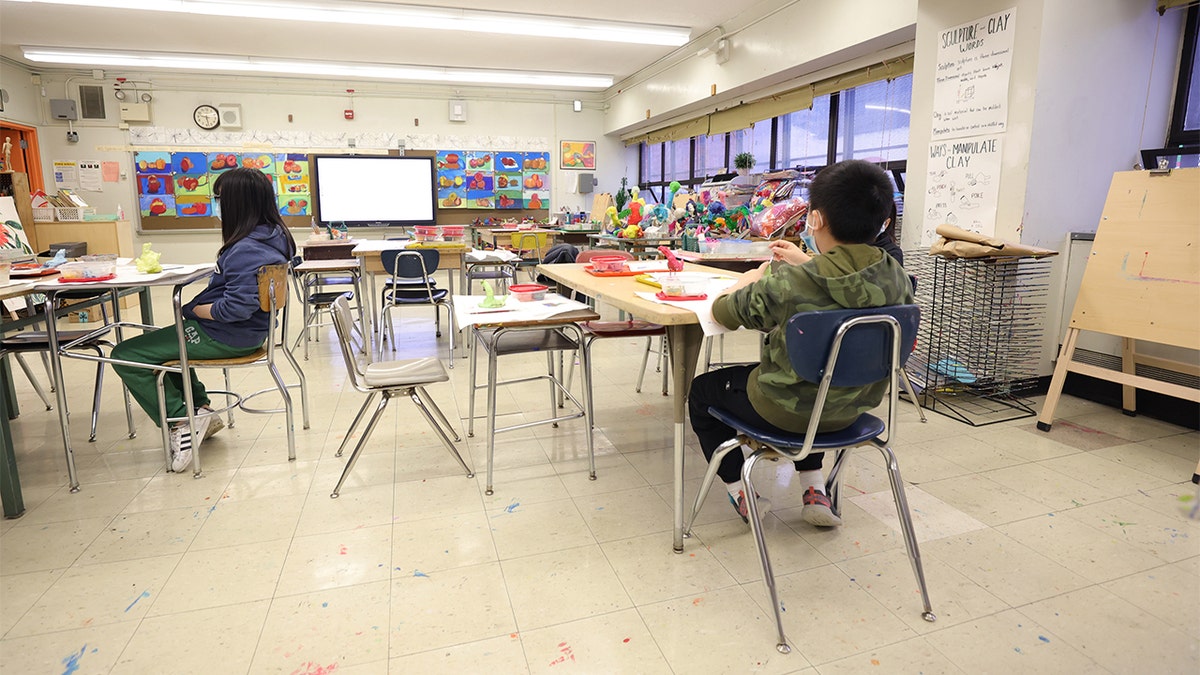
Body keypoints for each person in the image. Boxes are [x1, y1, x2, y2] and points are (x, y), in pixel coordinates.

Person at [688, 160, 914, 527]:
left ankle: (742, 492)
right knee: (819, 378)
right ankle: (815, 491)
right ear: (883, 219)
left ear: (817, 219)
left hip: (787, 412)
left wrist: (747, 280)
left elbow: (724, 313)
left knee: (701, 392)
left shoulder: (791, 281)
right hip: (855, 410)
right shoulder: (898, 278)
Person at [112, 168, 296, 472]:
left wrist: (195, 310)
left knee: (126, 355)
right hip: (249, 332)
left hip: (226, 334)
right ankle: (200, 410)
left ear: (237, 204)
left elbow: (234, 309)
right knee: (163, 349)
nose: (218, 205)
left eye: (220, 199)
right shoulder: (274, 238)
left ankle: (182, 420)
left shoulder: (246, 249)